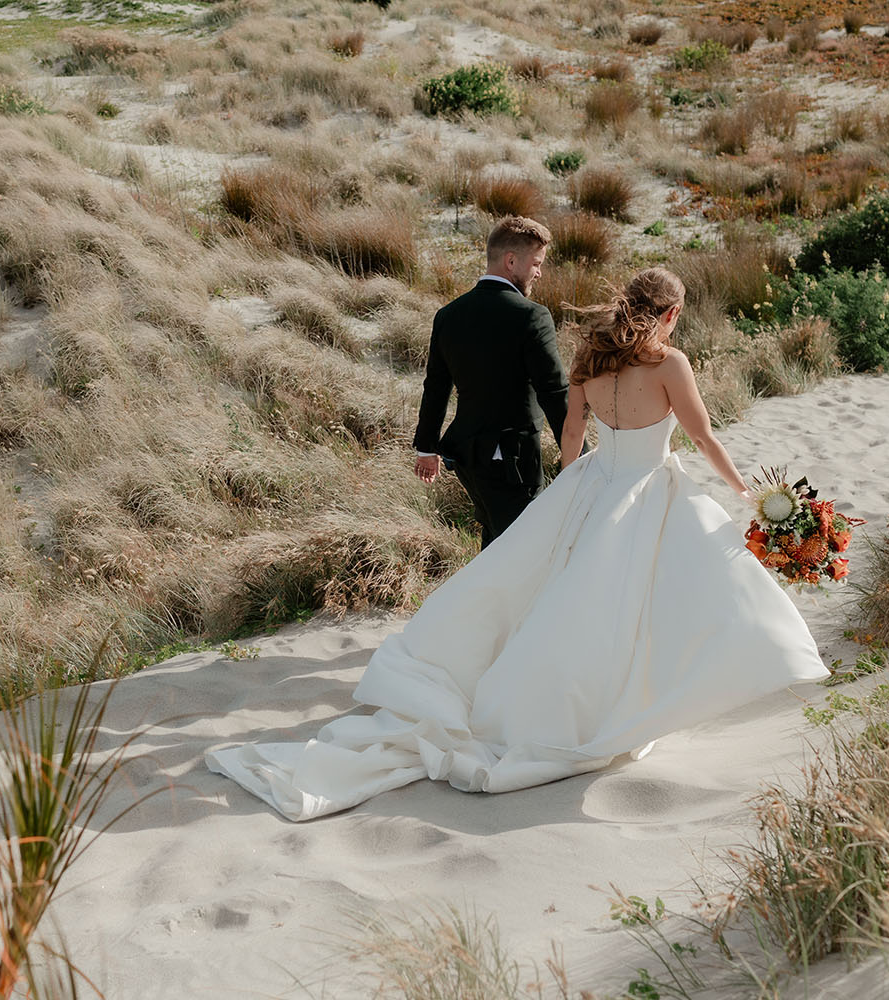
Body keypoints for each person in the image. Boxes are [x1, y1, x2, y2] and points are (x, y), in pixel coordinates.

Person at [206, 267, 829, 822]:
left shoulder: (591, 355)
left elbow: (573, 430)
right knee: (664, 593)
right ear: (671, 313)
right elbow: (704, 438)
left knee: (574, 596)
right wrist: (748, 492)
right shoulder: (671, 364)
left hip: (593, 483)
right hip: (650, 488)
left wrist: (576, 488)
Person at [412, 216, 568, 548]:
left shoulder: (449, 315)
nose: (539, 272)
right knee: (524, 550)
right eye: (536, 263)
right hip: (512, 461)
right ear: (511, 261)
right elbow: (553, 391)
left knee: (496, 543)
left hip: (468, 458)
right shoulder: (532, 316)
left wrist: (427, 448)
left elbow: (436, 386)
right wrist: (579, 455)